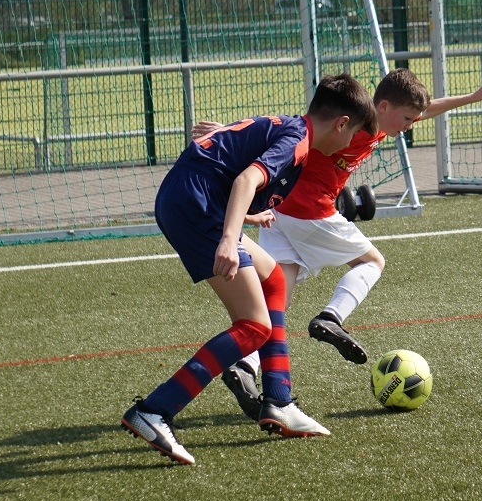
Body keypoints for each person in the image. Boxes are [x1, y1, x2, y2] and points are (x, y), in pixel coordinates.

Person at [195, 68, 482, 421]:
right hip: (309, 209)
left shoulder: (371, 119)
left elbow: (425, 108)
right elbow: (300, 131)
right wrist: (230, 131)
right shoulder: (357, 127)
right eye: (407, 119)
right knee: (372, 262)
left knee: (278, 300)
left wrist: (472, 97)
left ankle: (245, 365)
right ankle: (331, 317)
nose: (410, 126)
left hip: (278, 209)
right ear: (383, 107)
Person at [121, 73, 377, 465]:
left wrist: (246, 217)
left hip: (194, 198)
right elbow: (245, 179)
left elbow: (233, 158)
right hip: (196, 206)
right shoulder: (298, 141)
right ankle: (155, 410)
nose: (349, 143)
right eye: (353, 133)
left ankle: (279, 401)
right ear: (342, 123)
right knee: (254, 326)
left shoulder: (293, 128)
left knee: (274, 279)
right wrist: (229, 238)